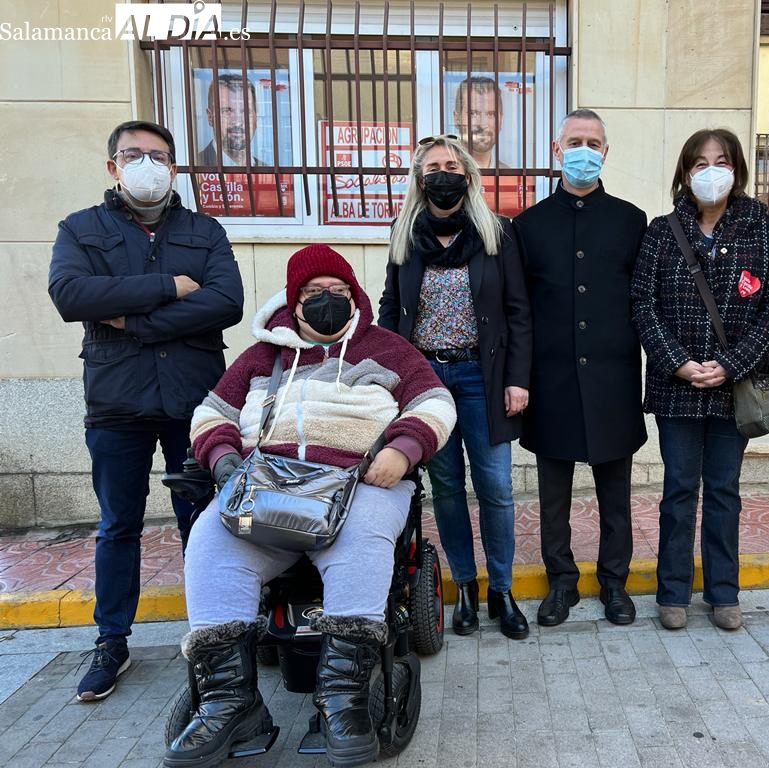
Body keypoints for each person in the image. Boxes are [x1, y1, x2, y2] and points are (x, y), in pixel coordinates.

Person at [167, 244, 456, 768]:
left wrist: (402, 448)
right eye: (316, 292)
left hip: (360, 479)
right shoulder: (262, 356)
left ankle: (343, 700)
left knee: (363, 535)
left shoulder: (386, 348)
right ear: (294, 302)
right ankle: (230, 702)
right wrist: (224, 460)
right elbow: (211, 413)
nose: (329, 300)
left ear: (355, 296)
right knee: (211, 539)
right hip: (269, 482)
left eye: (339, 290)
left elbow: (435, 401)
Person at [47, 120, 244, 703]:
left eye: (157, 156)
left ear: (174, 167)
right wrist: (169, 285)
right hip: (117, 402)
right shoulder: (81, 228)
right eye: (133, 155)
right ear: (113, 166)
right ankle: (112, 642)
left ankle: (215, 634)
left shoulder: (204, 230)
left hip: (194, 400)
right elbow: (71, 295)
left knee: (204, 521)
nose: (146, 165)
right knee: (118, 525)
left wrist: (131, 319)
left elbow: (227, 301)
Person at [632, 129, 769, 632]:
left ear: (737, 169)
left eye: (721, 162)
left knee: (724, 489)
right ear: (685, 173)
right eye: (699, 164)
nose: (710, 172)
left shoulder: (763, 231)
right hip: (676, 387)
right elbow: (643, 303)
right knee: (679, 489)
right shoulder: (661, 232)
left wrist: (733, 363)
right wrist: (676, 361)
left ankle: (724, 592)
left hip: (734, 390)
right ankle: (672, 592)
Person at [379, 135, 532, 640]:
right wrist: (387, 374)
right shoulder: (404, 233)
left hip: (481, 378)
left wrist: (518, 379)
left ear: (467, 173)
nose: (442, 174)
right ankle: (465, 586)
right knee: (446, 489)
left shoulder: (497, 232)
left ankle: (501, 590)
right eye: (432, 167)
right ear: (420, 179)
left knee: (496, 489)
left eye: (451, 164)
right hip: (425, 383)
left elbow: (518, 311)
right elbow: (390, 307)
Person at [514, 109, 647, 627]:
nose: (584, 151)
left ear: (606, 153)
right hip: (552, 381)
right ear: (556, 149)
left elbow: (643, 301)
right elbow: (520, 310)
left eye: (593, 143)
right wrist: (519, 378)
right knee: (554, 497)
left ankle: (615, 583)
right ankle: (561, 582)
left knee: (616, 495)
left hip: (614, 380)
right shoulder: (528, 226)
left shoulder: (631, 221)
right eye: (575, 142)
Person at [453, 75, 533, 217]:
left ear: (500, 120)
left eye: (491, 114)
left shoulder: (512, 179)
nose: (482, 124)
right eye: (473, 113)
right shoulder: (446, 176)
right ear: (457, 118)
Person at [199, 74, 265, 167]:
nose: (237, 122)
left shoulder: (267, 171)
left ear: (256, 117)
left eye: (246, 111)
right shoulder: (196, 164)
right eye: (227, 111)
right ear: (210, 117)